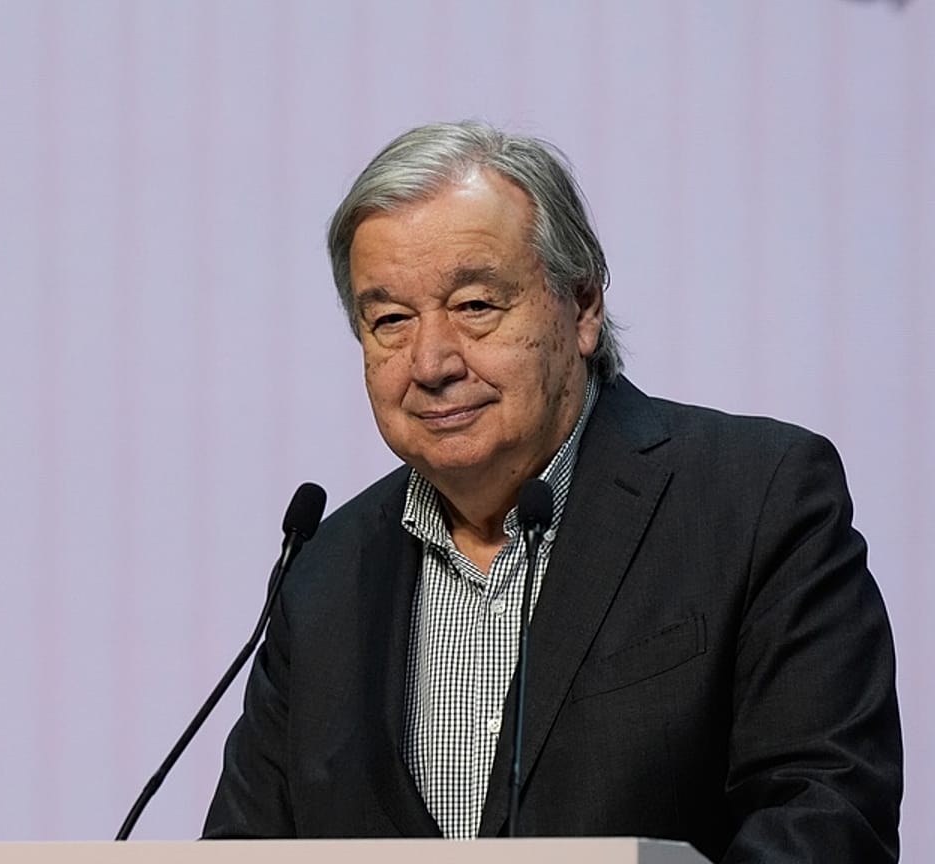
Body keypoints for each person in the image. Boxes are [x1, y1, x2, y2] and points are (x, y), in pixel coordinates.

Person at [203, 121, 901, 863]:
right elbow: (244, 848)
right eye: (391, 321)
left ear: (584, 306)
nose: (431, 360)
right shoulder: (323, 574)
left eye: (476, 306)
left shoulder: (757, 498)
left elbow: (825, 815)